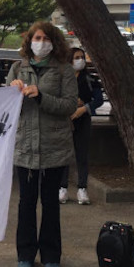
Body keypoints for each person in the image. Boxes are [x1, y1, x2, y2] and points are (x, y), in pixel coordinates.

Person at [6, 22, 77, 267]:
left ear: (54, 42)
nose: (41, 42)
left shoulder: (64, 70)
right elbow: (6, 108)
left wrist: (41, 97)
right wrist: (12, 92)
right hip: (25, 146)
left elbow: (69, 105)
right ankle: (25, 255)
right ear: (29, 41)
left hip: (53, 147)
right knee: (26, 203)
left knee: (50, 204)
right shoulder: (17, 68)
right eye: (37, 37)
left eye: (46, 38)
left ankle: (51, 256)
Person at [59, 47, 103, 205]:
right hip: (65, 119)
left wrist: (84, 108)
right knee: (64, 154)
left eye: (82, 57)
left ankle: (82, 188)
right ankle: (62, 187)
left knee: (82, 154)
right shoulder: (62, 78)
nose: (80, 60)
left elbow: (98, 100)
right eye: (76, 57)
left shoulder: (90, 79)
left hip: (83, 119)